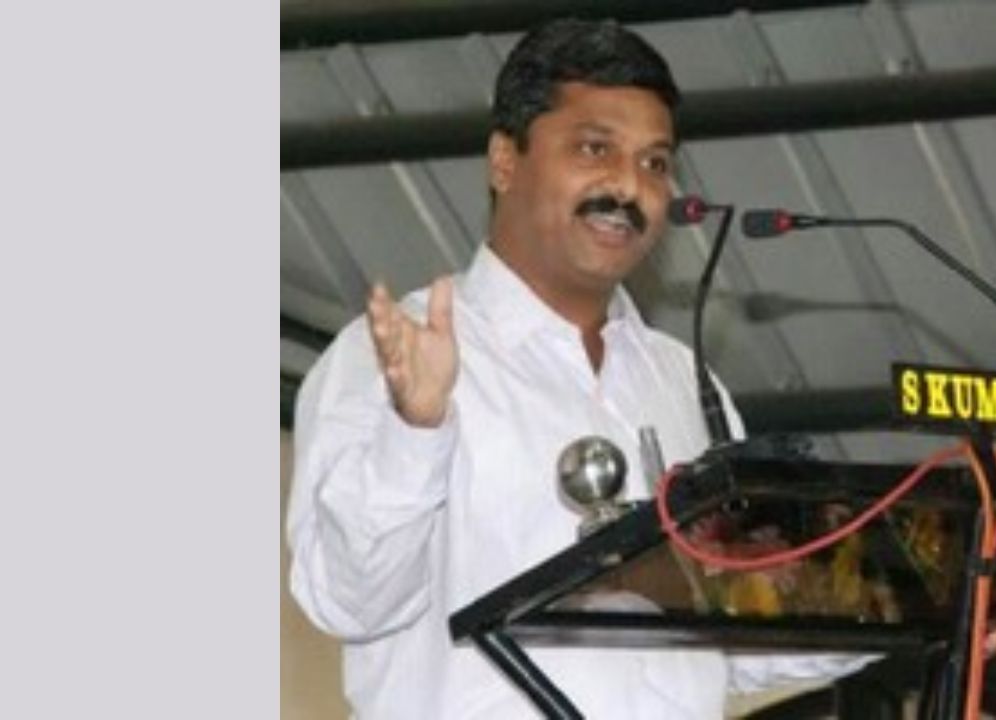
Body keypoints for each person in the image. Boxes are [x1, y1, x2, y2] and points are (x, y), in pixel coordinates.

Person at [287, 18, 869, 719]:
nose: (628, 186)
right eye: (595, 149)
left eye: (655, 163)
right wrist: (416, 429)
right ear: (505, 161)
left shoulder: (684, 381)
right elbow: (347, 599)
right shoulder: (392, 357)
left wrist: (908, 600)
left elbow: (739, 640)